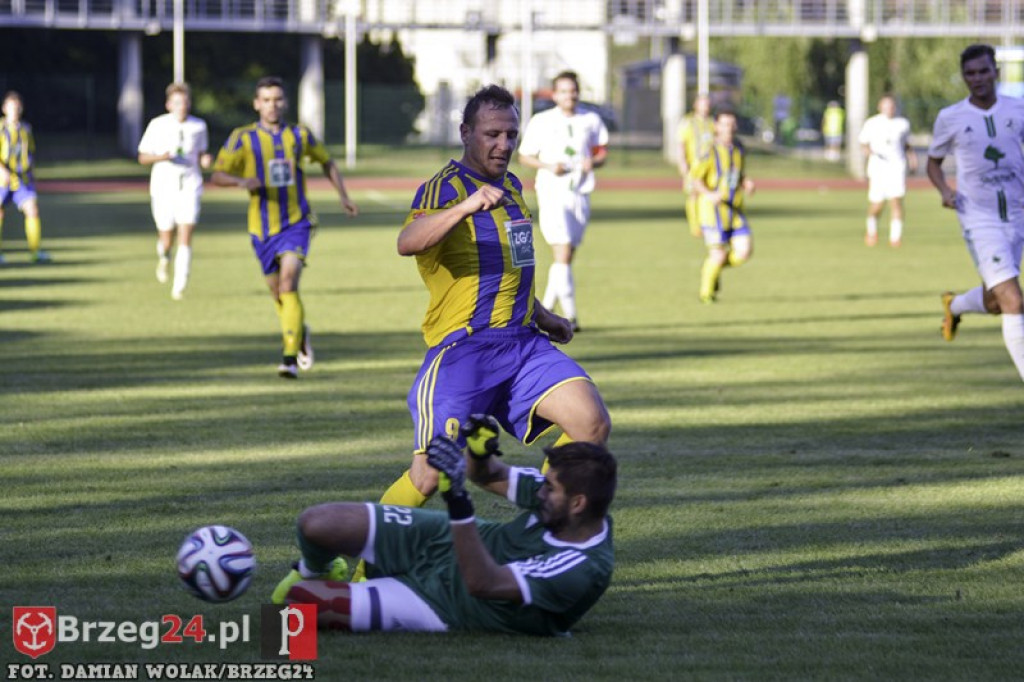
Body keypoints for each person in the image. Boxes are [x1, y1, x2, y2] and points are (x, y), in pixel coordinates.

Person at [376, 83, 611, 519]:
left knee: (590, 422)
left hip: (522, 344)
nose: (503, 145)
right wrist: (465, 207)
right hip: (464, 349)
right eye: (492, 134)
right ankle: (357, 571)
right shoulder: (444, 188)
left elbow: (511, 265)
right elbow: (407, 242)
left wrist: (542, 315)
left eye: (510, 135)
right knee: (429, 474)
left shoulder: (513, 186)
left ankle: (543, 528)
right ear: (466, 132)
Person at [271, 417, 616, 636]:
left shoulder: (582, 568)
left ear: (578, 503)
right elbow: (490, 474)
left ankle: (289, 637)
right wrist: (481, 452)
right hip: (440, 541)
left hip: (448, 603)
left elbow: (482, 582)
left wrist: (458, 504)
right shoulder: (559, 502)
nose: (540, 489)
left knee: (291, 607)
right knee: (315, 523)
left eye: (550, 487)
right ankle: (318, 569)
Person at [211, 76, 358, 379]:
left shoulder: (299, 135)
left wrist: (343, 196)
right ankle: (299, 331)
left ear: (285, 102)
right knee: (278, 292)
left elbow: (327, 161)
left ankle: (289, 357)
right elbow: (218, 175)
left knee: (289, 283)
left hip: (296, 223)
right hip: (261, 228)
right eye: (266, 99)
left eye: (277, 99)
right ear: (256, 104)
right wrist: (242, 181)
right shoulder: (242, 138)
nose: (272, 105)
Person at [927, 44, 1024, 382]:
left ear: (995, 71)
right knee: (1013, 300)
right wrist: (945, 191)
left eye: (983, 71)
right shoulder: (950, 117)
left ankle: (953, 306)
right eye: (970, 73)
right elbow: (933, 163)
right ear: (964, 77)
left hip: (1016, 214)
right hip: (978, 218)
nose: (977, 78)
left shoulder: (1018, 108)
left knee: (996, 301)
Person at [518, 71, 609, 331]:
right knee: (563, 251)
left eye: (573, 90)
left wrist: (594, 161)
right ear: (555, 94)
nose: (570, 95)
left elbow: (601, 150)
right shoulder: (542, 121)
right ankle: (571, 316)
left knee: (566, 258)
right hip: (552, 191)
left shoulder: (590, 119)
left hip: (579, 193)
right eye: (564, 91)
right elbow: (525, 156)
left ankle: (545, 310)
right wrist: (548, 165)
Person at [137, 82, 212, 300]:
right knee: (167, 236)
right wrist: (162, 156)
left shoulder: (198, 126)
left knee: (186, 236)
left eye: (186, 102)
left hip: (189, 186)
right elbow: (142, 157)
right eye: (177, 102)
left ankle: (180, 284)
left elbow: (201, 153)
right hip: (163, 188)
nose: (182, 107)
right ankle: (164, 256)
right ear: (169, 104)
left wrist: (205, 160)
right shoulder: (157, 125)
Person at [690, 109, 756, 304]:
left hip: (734, 210)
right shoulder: (708, 151)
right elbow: (695, 180)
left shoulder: (738, 148)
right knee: (718, 254)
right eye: (726, 124)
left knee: (744, 252)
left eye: (732, 124)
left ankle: (714, 268)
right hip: (713, 211)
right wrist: (710, 194)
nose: (730, 128)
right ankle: (706, 293)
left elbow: (737, 174)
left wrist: (746, 183)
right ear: (716, 127)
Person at [858, 95, 918, 247]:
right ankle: (871, 231)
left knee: (896, 201)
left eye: (892, 106)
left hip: (897, 166)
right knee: (877, 204)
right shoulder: (872, 123)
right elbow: (863, 143)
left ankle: (895, 238)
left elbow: (906, 144)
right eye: (886, 106)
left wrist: (913, 159)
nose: (889, 109)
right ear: (880, 107)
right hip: (878, 167)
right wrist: (869, 154)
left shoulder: (902, 123)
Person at [0, 91, 50, 264]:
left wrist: (32, 174)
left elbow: (30, 154)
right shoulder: (0, 128)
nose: (15, 111)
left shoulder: (25, 129)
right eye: (12, 107)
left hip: (22, 180)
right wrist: (2, 171)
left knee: (32, 210)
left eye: (17, 107)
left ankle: (36, 252)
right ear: (4, 109)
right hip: (2, 180)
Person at [677, 93, 715, 238]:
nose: (706, 106)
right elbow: (681, 144)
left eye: (708, 103)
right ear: (696, 105)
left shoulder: (712, 123)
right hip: (694, 166)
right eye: (703, 103)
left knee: (708, 193)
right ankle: (695, 226)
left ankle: (708, 223)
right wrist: (682, 163)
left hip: (710, 167)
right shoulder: (689, 122)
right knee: (694, 194)